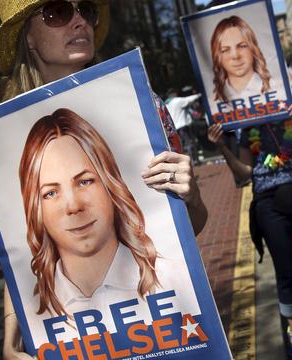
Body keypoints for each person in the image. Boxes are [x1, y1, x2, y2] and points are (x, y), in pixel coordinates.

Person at [0, 1, 208, 357]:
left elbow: (191, 228)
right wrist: (10, 340)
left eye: (86, 10)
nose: (78, 21)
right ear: (27, 37)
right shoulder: (3, 136)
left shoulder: (142, 106)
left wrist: (193, 197)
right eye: (58, 12)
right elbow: (16, 252)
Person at [18, 108, 192, 341]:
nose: (73, 205)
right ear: (35, 208)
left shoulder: (174, 277)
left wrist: (193, 198)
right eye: (50, 193)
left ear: (110, 184)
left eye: (85, 181)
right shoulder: (37, 311)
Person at [207, 103, 292, 358]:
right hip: (269, 201)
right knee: (285, 266)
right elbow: (245, 172)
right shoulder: (249, 129)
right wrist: (222, 146)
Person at [210, 15, 279, 102]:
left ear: (253, 49)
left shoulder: (277, 88)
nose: (235, 56)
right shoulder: (214, 101)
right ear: (218, 56)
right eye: (225, 50)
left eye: (242, 46)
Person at [166, 88, 202, 162]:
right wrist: (200, 94)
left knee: (179, 146)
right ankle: (193, 161)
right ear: (174, 94)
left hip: (174, 128)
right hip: (182, 126)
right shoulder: (177, 101)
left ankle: (181, 161)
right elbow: (189, 99)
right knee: (188, 144)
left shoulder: (167, 104)